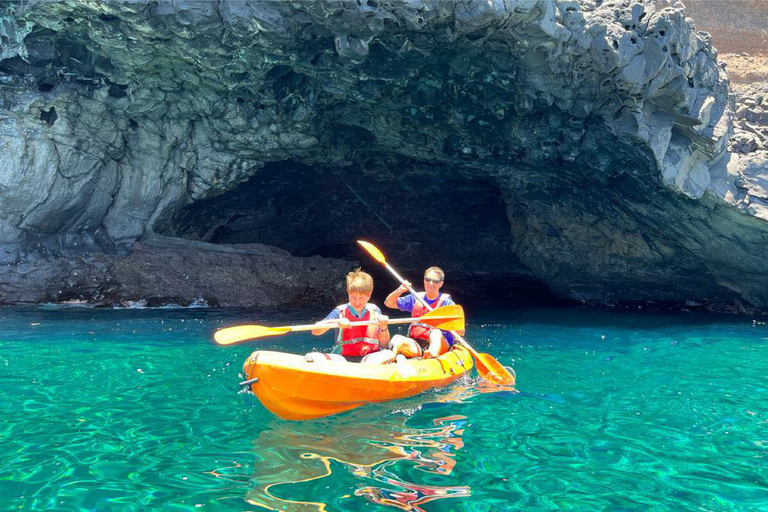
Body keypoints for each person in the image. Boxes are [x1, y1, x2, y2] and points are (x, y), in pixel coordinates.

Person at [308, 269, 394, 364]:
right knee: (312, 356)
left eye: (361, 298)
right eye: (353, 297)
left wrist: (383, 327)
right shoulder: (340, 311)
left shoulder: (375, 311)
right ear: (348, 293)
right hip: (343, 358)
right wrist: (336, 322)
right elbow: (315, 331)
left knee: (388, 353)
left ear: (368, 296)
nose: (357, 302)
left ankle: (364, 368)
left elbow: (384, 344)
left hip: (369, 357)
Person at [384, 266, 460, 359]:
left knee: (436, 333)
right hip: (418, 344)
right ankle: (387, 360)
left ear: (441, 283)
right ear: (424, 280)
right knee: (397, 339)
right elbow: (389, 303)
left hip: (441, 345)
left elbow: (459, 330)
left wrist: (456, 328)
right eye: (428, 279)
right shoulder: (415, 298)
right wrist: (400, 290)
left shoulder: (447, 303)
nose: (431, 283)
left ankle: (430, 358)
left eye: (435, 281)